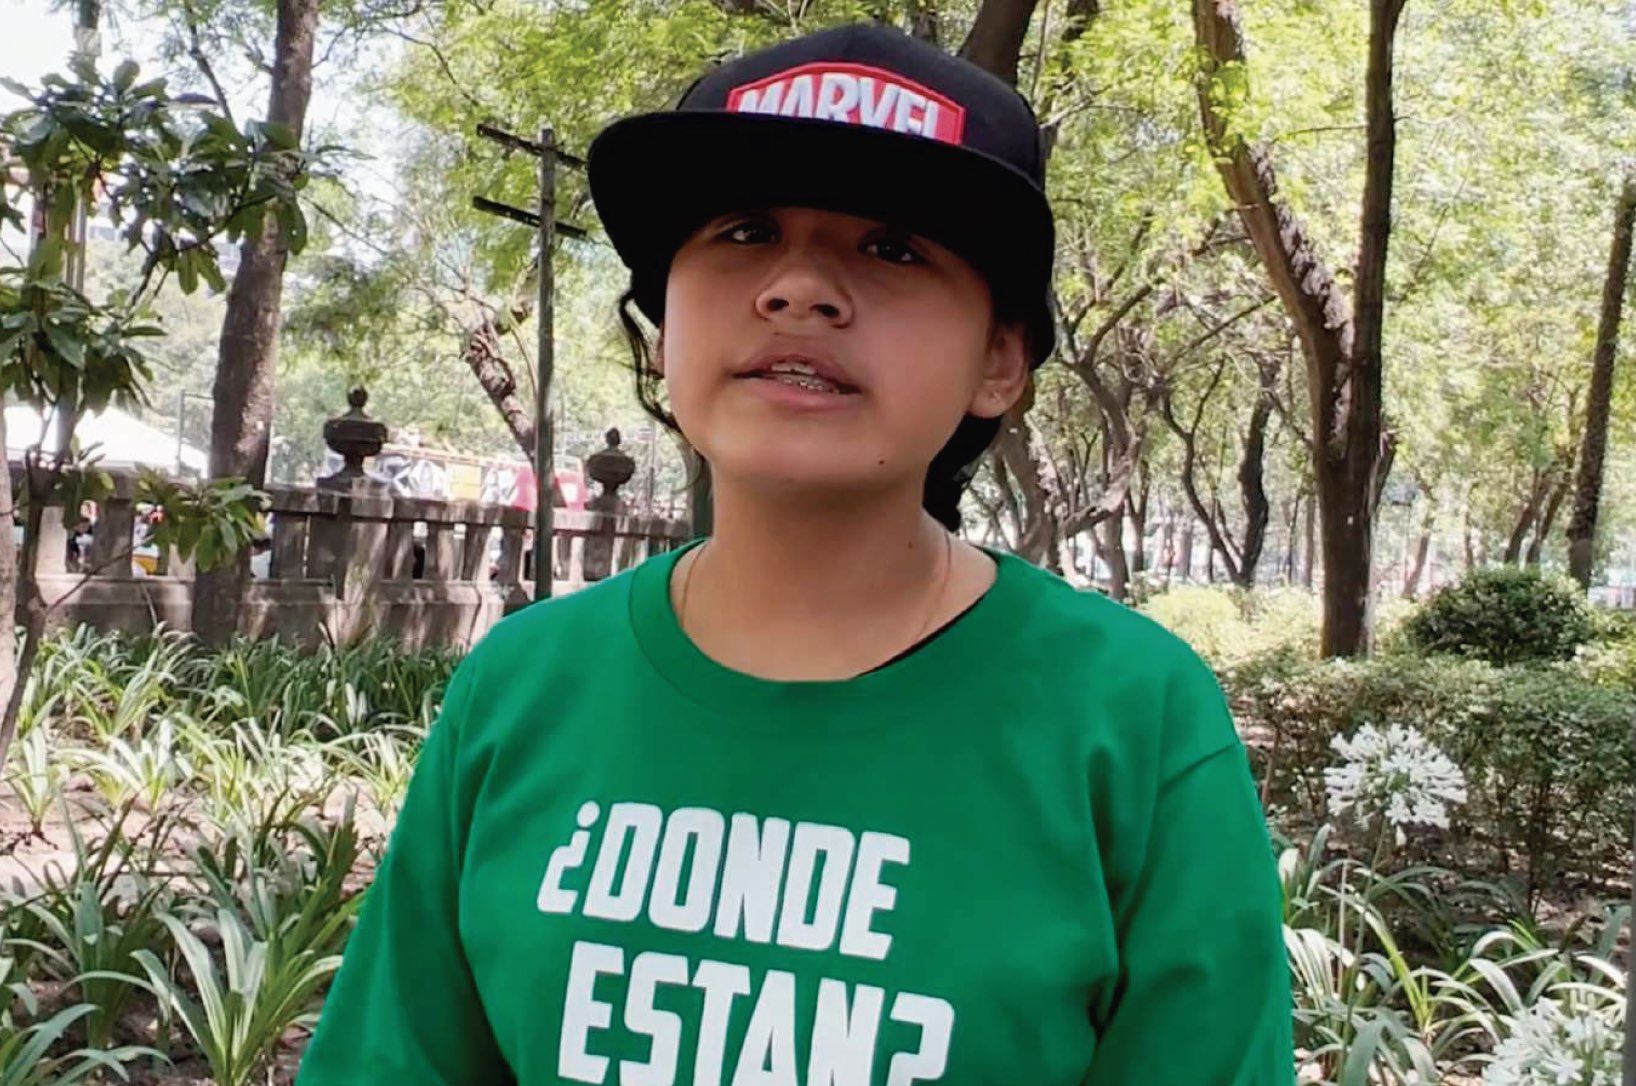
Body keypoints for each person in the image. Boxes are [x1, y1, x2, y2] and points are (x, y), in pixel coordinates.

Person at [297, 24, 1294, 1086]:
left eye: (895, 248)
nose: (799, 289)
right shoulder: (519, 687)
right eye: (744, 231)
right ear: (662, 331)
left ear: (1000, 360)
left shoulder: (1135, 723)